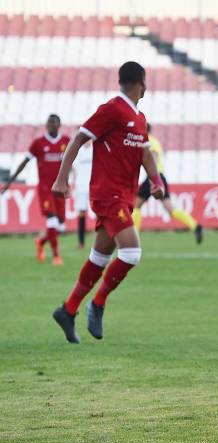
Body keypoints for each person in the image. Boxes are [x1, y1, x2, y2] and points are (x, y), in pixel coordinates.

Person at [50, 61, 164, 344]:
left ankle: (68, 309)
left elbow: (146, 154)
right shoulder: (112, 109)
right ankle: (97, 303)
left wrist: (156, 180)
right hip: (108, 195)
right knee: (131, 253)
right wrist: (61, 179)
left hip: (123, 197)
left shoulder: (139, 117)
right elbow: (78, 139)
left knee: (100, 256)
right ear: (142, 83)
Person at [1, 114, 70, 265]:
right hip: (46, 189)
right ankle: (56, 256)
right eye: (49, 123)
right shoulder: (38, 143)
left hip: (60, 189)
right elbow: (24, 163)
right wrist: (8, 183)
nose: (51, 126)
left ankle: (41, 241)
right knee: (51, 221)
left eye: (54, 124)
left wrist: (68, 183)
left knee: (60, 225)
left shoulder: (65, 141)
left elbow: (69, 163)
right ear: (46, 125)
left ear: (58, 126)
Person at [132, 123, 203, 243]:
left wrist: (152, 179)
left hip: (153, 177)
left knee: (136, 205)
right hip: (159, 177)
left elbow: (152, 158)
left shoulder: (149, 141)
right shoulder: (154, 141)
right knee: (170, 209)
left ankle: (135, 236)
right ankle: (195, 226)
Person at [73, 140, 93, 248]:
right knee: (81, 214)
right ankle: (81, 242)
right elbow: (74, 170)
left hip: (94, 186)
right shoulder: (78, 151)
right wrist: (72, 184)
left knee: (100, 214)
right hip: (81, 187)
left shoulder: (95, 149)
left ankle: (102, 240)